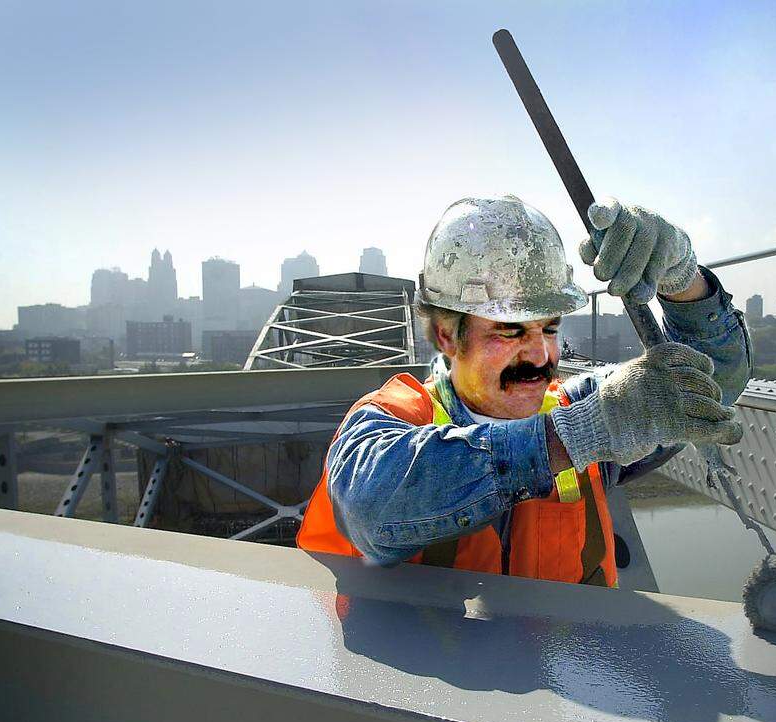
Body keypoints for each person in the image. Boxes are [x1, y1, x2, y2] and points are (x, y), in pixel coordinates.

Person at [297, 195, 752, 587]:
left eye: (549, 327)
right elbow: (371, 511)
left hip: (572, 681)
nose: (540, 356)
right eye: (510, 331)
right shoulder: (391, 417)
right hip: (423, 691)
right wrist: (585, 432)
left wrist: (682, 279)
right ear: (447, 336)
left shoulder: (576, 406)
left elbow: (711, 385)